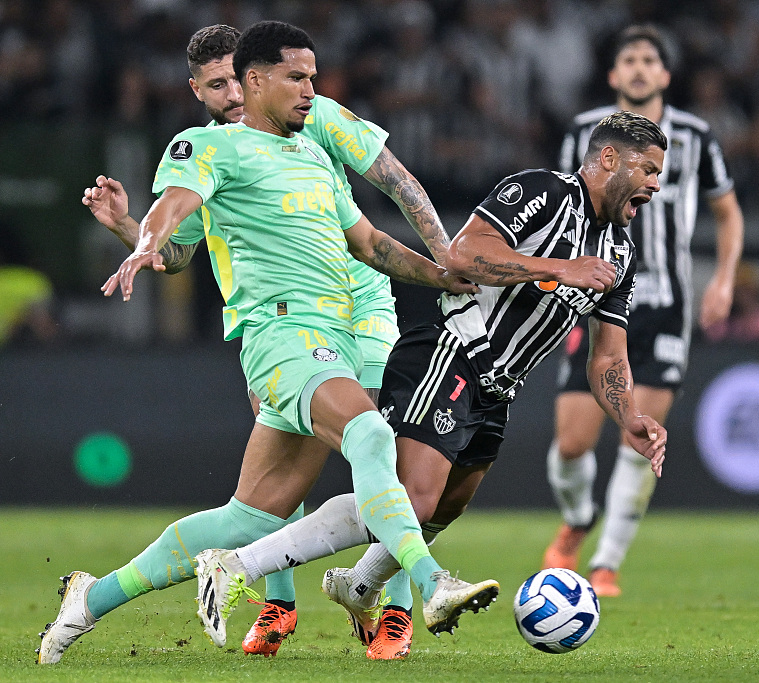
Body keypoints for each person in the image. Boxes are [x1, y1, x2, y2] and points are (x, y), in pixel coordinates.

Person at [38, 21, 491, 665]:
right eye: (296, 78)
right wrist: (139, 238)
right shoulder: (207, 147)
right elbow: (175, 214)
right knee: (371, 435)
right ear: (243, 83)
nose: (310, 90)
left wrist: (443, 272)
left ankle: (91, 598)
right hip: (282, 331)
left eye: (312, 78)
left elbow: (369, 238)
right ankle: (426, 585)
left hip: (347, 320)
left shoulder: (315, 146)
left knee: (250, 519)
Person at [192, 110, 669, 660]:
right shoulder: (543, 192)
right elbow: (463, 253)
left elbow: (607, 354)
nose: (656, 184)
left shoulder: (620, 252)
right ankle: (235, 565)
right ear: (608, 159)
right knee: (410, 498)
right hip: (451, 351)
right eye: (648, 169)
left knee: (442, 507)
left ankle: (358, 585)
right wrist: (557, 267)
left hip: (498, 389)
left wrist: (628, 416)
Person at [542, 25, 744, 597]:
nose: (638, 67)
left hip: (665, 306)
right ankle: (579, 517)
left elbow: (727, 211)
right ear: (612, 74)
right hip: (593, 297)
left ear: (665, 74)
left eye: (648, 59)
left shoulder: (696, 136)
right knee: (572, 444)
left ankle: (606, 563)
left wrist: (724, 279)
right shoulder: (585, 131)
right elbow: (564, 201)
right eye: (627, 58)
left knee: (639, 440)